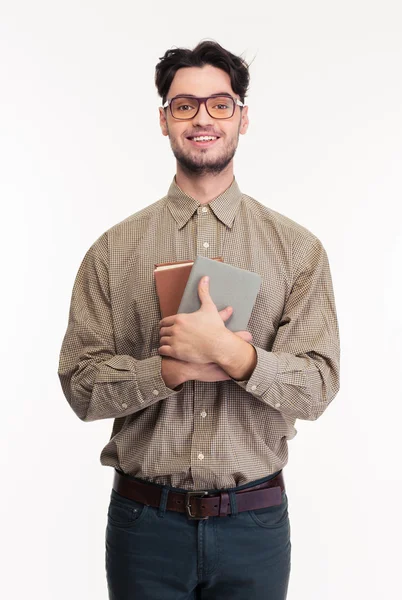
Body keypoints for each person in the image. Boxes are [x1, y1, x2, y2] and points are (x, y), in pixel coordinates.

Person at [58, 40, 340, 600]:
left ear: (242, 117)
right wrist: (170, 370)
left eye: (220, 103)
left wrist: (236, 357)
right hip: (145, 526)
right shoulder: (113, 252)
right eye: (184, 105)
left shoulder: (297, 250)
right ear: (164, 120)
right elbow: (80, 387)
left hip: (254, 526)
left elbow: (319, 387)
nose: (203, 118)